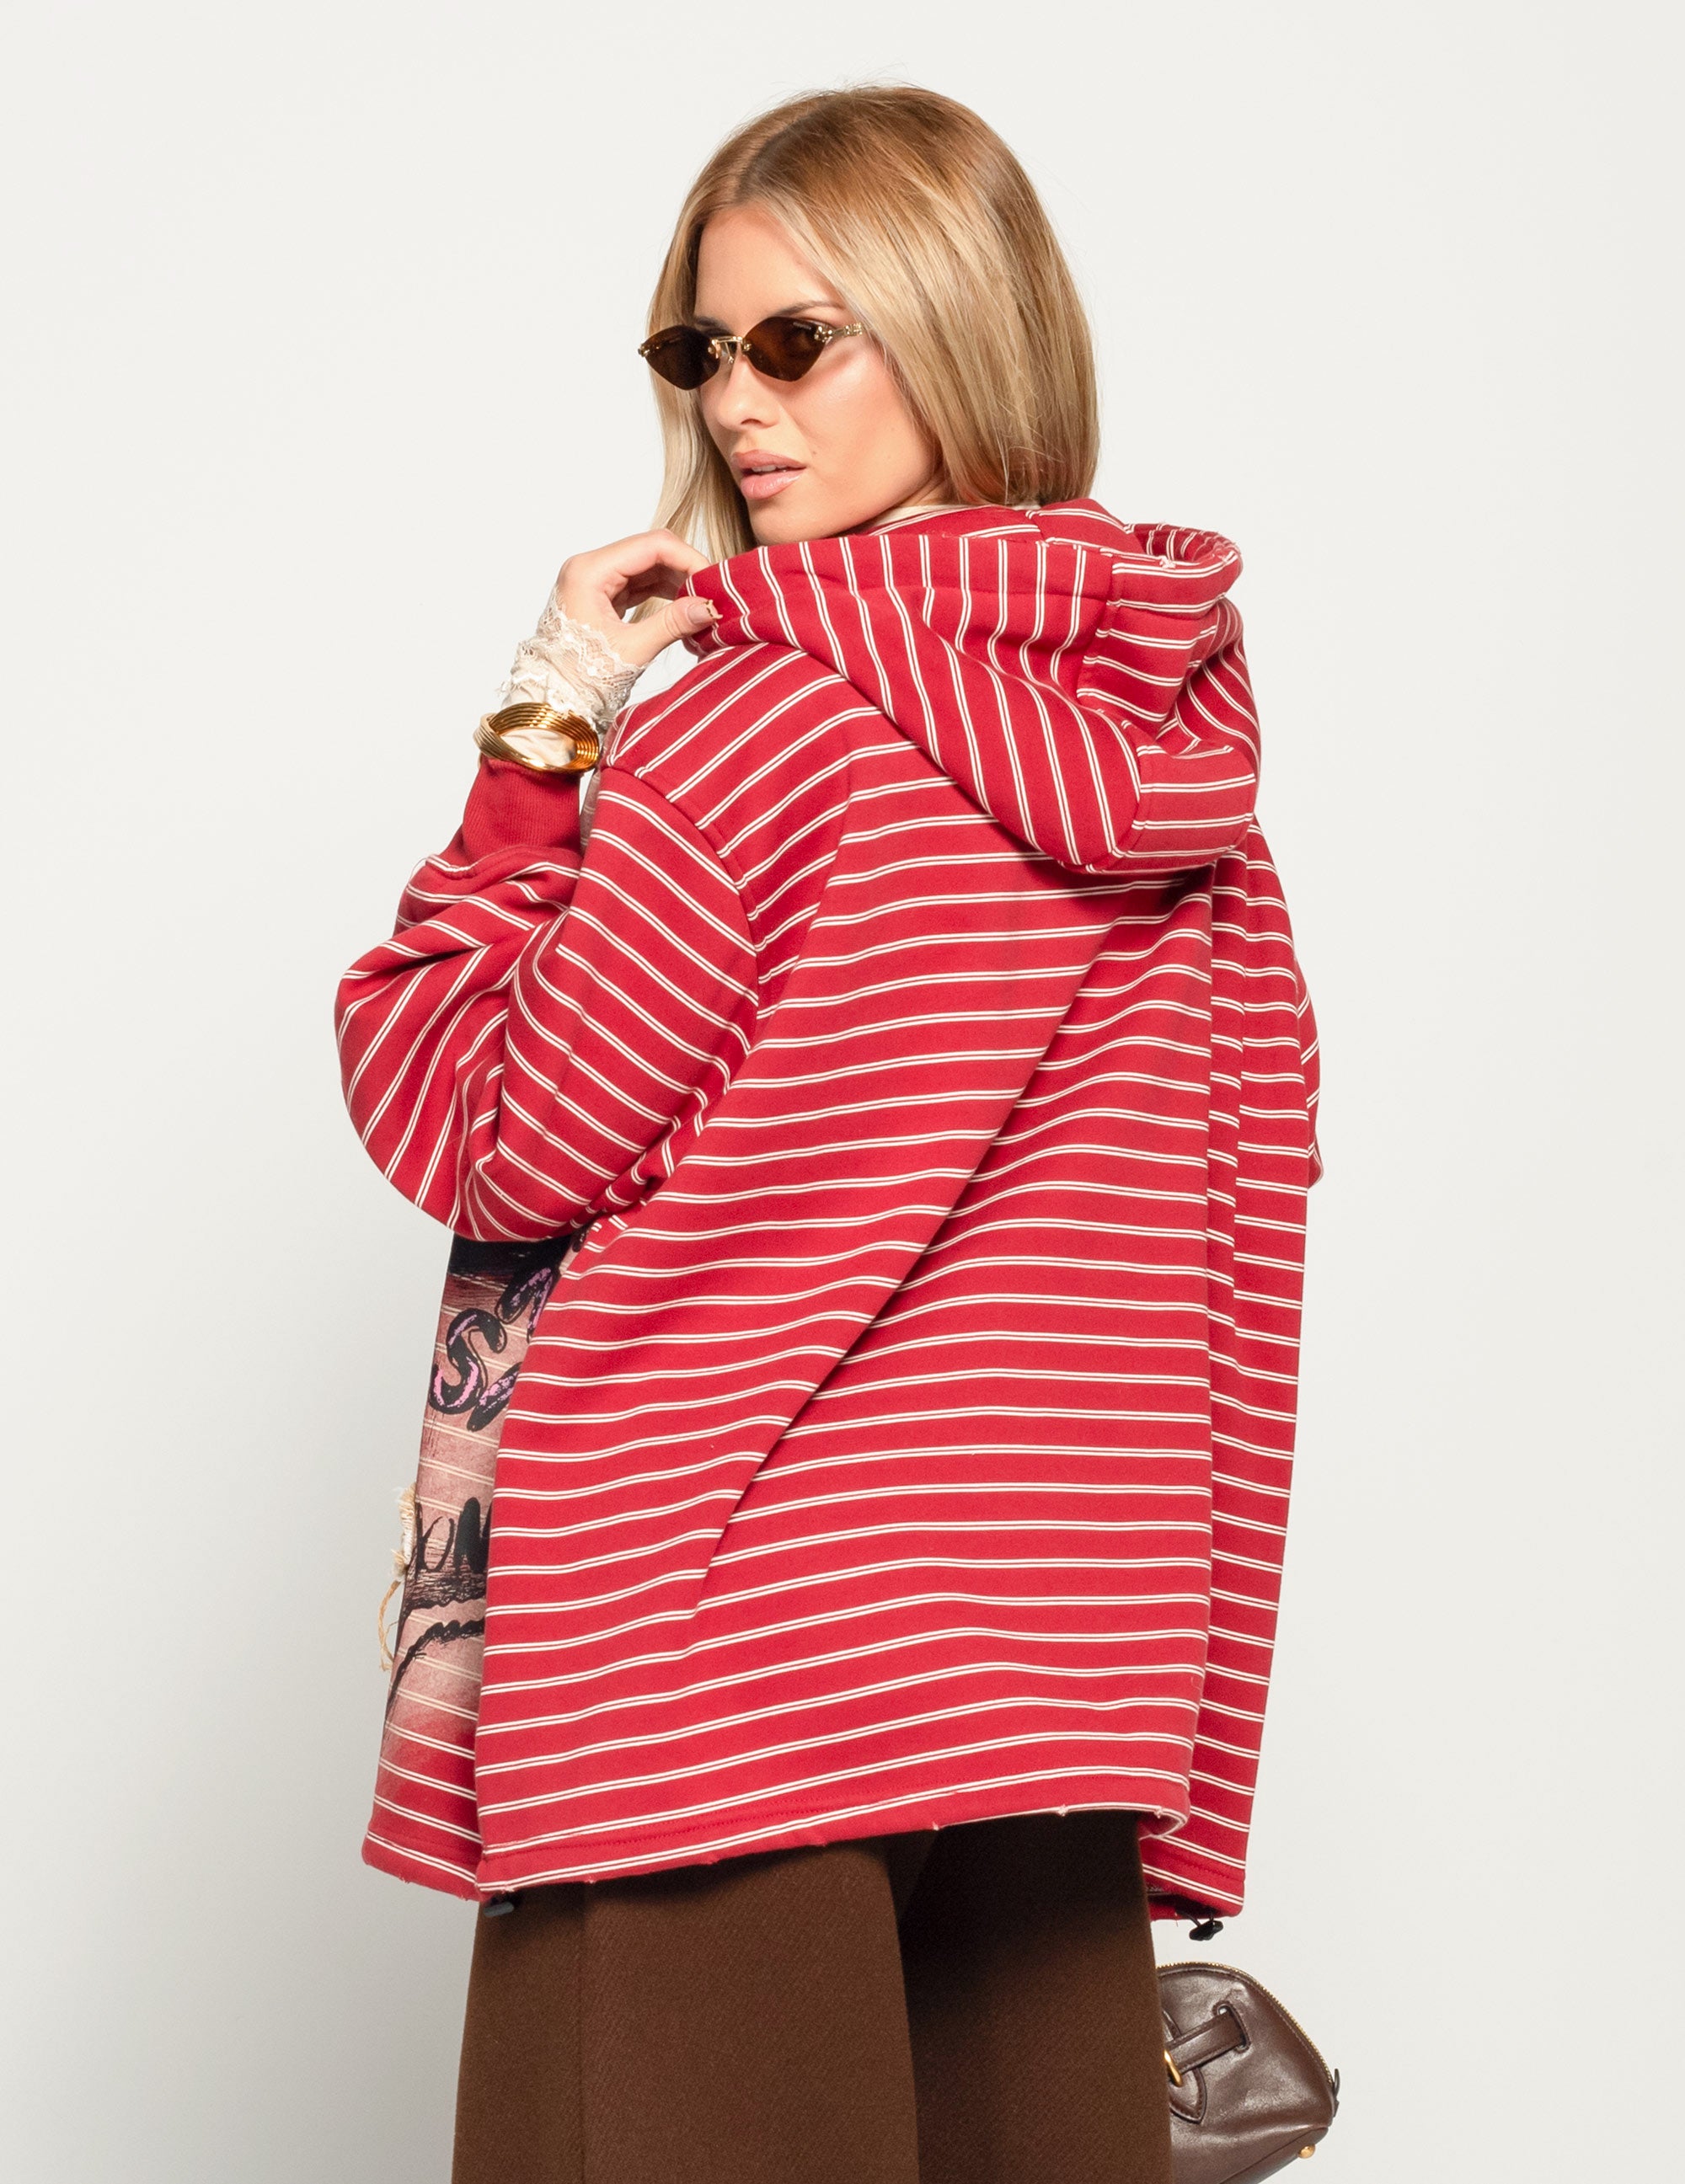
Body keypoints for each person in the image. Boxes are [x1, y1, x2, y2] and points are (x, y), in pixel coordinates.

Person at [334, 80, 1323, 2184]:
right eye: (700, 347)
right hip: (1053, 1672)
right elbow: (1229, 1220)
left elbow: (478, 1123)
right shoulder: (1180, 761)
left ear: (960, 328)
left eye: (796, 340)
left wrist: (542, 726)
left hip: (716, 1669)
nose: (735, 403)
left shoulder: (760, 730)